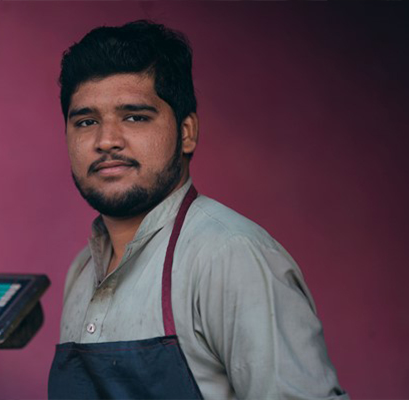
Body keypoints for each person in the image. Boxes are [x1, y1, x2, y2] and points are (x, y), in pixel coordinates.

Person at [48, 20, 348, 400]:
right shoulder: (82, 271)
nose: (107, 140)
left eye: (135, 117)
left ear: (187, 132)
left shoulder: (230, 256)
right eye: (86, 121)